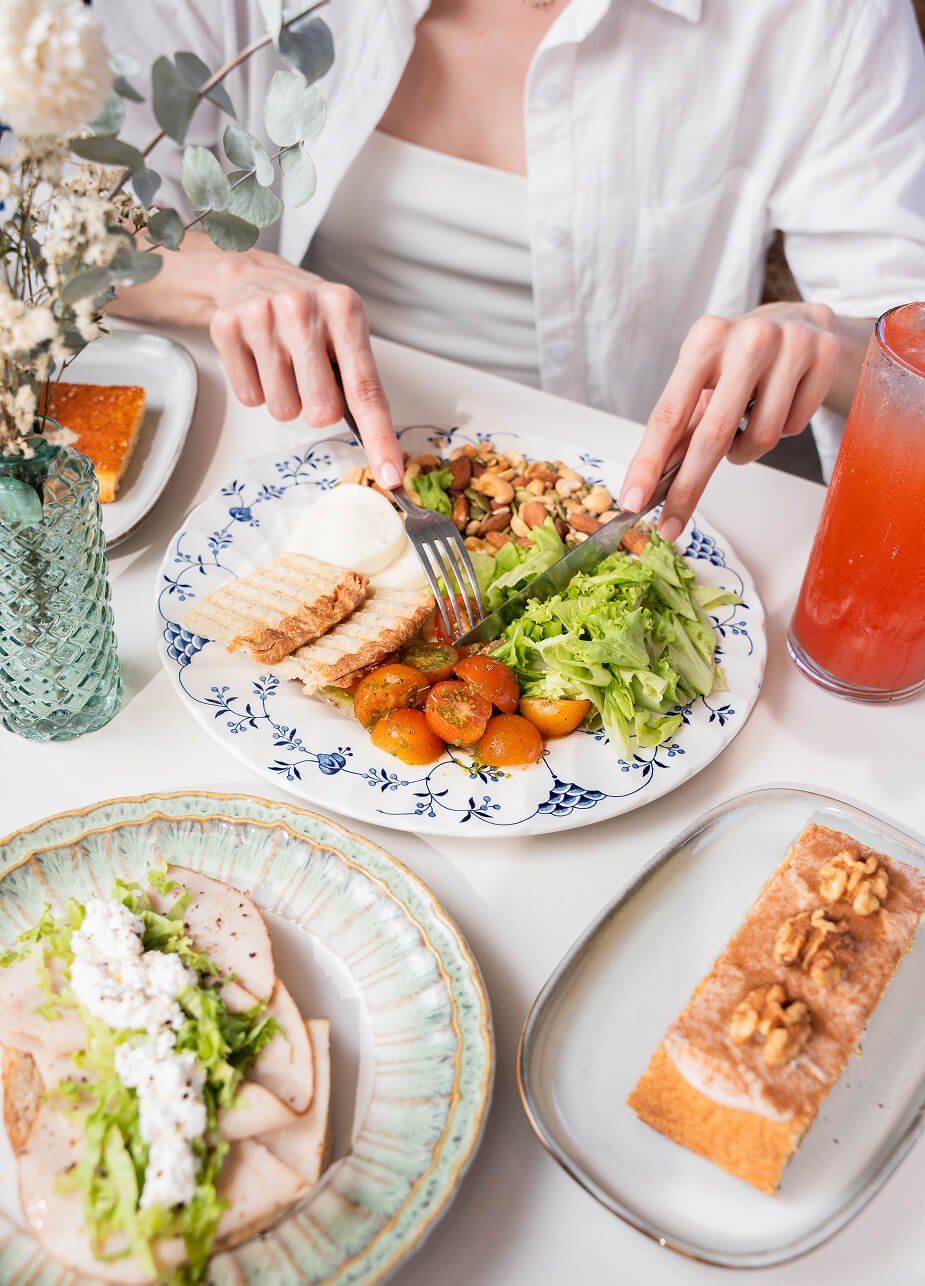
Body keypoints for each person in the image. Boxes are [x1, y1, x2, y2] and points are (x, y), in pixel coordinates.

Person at [107, 0, 925, 537]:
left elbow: (904, 321)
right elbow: (42, 213)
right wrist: (226, 274)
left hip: (615, 509)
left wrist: (835, 344)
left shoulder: (825, 17)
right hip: (273, 461)